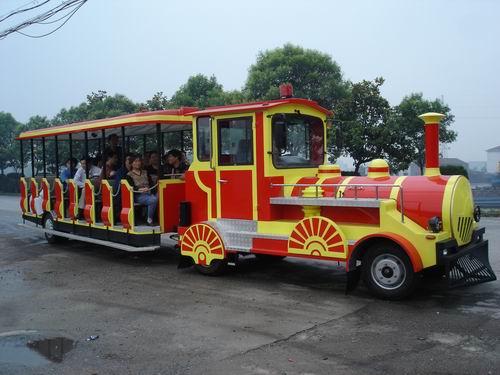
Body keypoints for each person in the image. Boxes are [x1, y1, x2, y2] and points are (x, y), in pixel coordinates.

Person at [126, 155, 158, 225]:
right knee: (153, 200)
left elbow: (151, 184)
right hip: (138, 195)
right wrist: (140, 189)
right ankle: (149, 219)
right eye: (135, 161)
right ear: (131, 163)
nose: (138, 163)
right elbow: (131, 187)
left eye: (139, 161)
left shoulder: (145, 172)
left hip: (149, 192)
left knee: (160, 195)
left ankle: (159, 218)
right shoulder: (129, 175)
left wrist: (152, 191)